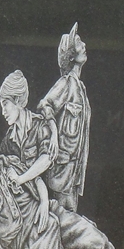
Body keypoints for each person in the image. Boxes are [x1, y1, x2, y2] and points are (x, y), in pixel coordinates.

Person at [0, 69, 124, 249]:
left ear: (18, 101)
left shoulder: (41, 127)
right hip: (31, 222)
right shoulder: (8, 143)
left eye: (5, 104)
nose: (3, 111)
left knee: (99, 245)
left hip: (53, 208)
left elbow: (47, 159)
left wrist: (32, 188)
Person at [37, 22, 91, 213]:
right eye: (78, 43)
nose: (83, 45)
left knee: (69, 212)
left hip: (74, 167)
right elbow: (45, 105)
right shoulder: (66, 83)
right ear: (71, 56)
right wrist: (53, 133)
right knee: (63, 213)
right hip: (63, 167)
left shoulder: (80, 87)